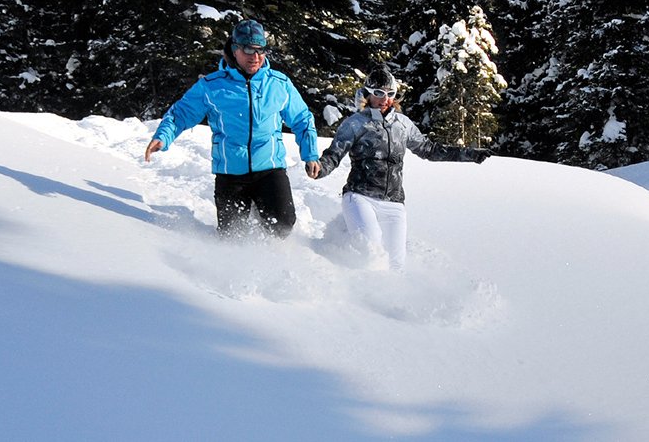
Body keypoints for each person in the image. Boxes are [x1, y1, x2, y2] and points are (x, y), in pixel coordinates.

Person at [144, 19, 321, 238]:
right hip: (230, 172)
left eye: (260, 50)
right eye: (248, 49)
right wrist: (163, 136)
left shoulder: (278, 84)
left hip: (270, 168)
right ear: (235, 49)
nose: (255, 57)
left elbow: (302, 119)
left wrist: (310, 154)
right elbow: (181, 113)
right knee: (231, 235)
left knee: (283, 225)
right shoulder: (212, 86)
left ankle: (262, 213)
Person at [311, 68, 489, 270]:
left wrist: (469, 154)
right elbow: (334, 154)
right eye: (378, 93)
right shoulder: (355, 124)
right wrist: (320, 169)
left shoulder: (402, 124)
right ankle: (345, 287)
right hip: (360, 197)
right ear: (368, 94)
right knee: (371, 251)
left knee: (395, 265)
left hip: (394, 203)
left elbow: (429, 150)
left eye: (390, 94)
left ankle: (386, 300)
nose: (384, 99)